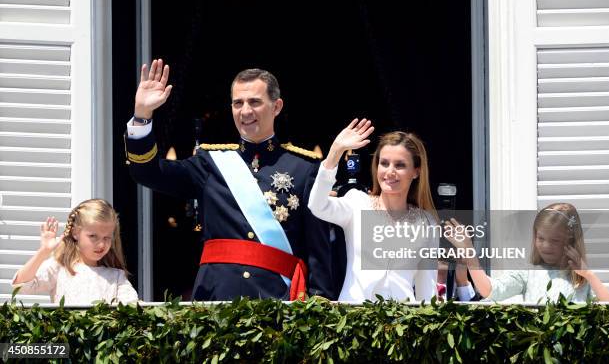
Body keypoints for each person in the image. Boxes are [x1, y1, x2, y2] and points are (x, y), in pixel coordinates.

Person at [124, 59, 335, 301]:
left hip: (278, 302)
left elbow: (318, 250)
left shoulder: (304, 168)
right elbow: (147, 172)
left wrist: (321, 304)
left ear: (276, 107)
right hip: (216, 299)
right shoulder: (210, 164)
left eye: (255, 102)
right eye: (238, 103)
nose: (245, 111)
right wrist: (142, 115)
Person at [307, 119, 439, 302]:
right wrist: (335, 151)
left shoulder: (427, 223)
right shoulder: (357, 203)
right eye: (384, 163)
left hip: (403, 323)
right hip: (355, 320)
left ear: (416, 171)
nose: (390, 172)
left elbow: (427, 291)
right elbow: (317, 205)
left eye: (400, 165)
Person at [445, 202, 609, 302]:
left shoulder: (582, 280)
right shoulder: (528, 273)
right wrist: (469, 253)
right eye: (540, 238)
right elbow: (489, 290)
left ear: (570, 240)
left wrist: (588, 274)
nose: (545, 246)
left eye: (554, 240)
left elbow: (608, 306)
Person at [12, 199, 138, 304]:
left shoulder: (116, 277)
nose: (101, 244)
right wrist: (44, 251)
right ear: (75, 233)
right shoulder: (60, 268)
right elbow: (21, 286)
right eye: (93, 236)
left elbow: (133, 306)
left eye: (107, 238)